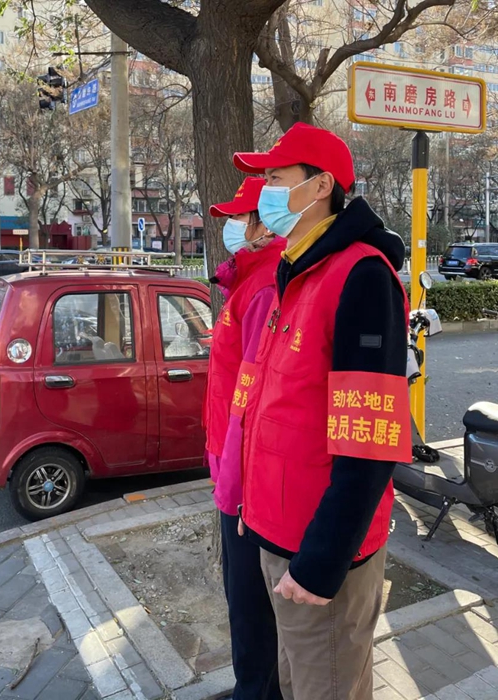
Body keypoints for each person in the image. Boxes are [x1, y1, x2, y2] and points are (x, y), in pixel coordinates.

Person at [233, 123, 411, 700]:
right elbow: (276, 408)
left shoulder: (361, 276)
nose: (264, 191)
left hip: (316, 557)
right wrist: (252, 509)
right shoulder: (296, 271)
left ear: (320, 186)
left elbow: (370, 441)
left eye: (276, 178)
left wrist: (322, 561)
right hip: (276, 535)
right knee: (295, 683)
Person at [203, 176, 285, 700]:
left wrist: (233, 491)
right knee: (246, 607)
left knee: (252, 613)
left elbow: (251, 402)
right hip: (233, 473)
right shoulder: (248, 282)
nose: (232, 227)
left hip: (244, 484)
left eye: (239, 217)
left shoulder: (263, 288)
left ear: (262, 223)